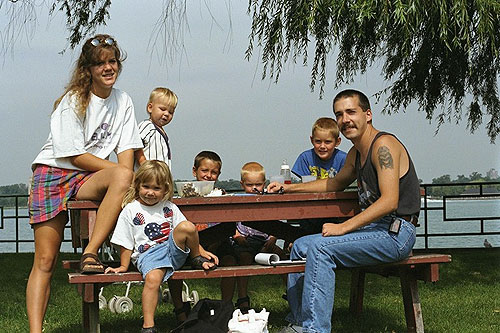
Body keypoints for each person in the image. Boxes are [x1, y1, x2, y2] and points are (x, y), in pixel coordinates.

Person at [269, 89, 420, 333]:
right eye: (339, 114)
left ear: (368, 114)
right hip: (375, 230)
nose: (345, 119)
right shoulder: (356, 152)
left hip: (396, 233)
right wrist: (288, 188)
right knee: (300, 246)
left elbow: (389, 201)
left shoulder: (384, 146)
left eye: (351, 112)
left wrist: (343, 227)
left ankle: (315, 330)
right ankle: (298, 322)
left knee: (320, 249)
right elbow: (334, 183)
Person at [26, 34, 143, 333]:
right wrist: (120, 172)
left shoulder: (124, 101)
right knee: (45, 260)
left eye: (112, 61)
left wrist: (126, 175)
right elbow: (75, 156)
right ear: (88, 69)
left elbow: (126, 158)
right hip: (54, 173)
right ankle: (35, 331)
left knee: (124, 175)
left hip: (89, 177)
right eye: (100, 63)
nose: (108, 68)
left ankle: (90, 252)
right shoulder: (73, 100)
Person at [105, 160, 218, 333]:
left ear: (165, 189)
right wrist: (123, 265)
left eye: (156, 188)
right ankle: (148, 326)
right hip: (149, 255)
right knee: (152, 280)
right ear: (137, 186)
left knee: (188, 226)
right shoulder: (131, 210)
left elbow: (188, 233)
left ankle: (196, 258)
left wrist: (201, 251)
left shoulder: (169, 207)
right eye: (146, 187)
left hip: (173, 249)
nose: (150, 193)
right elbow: (125, 241)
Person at [168, 150, 236, 323]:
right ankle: (180, 310)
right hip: (192, 244)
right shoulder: (184, 195)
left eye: (213, 172)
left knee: (231, 260)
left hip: (217, 242)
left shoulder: (222, 195)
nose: (208, 176)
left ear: (219, 175)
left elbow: (229, 224)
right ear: (194, 171)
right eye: (204, 171)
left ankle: (225, 308)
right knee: (173, 263)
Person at [228, 162, 287, 313]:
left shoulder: (268, 200)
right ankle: (242, 298)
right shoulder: (237, 200)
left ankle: (291, 292)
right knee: (243, 260)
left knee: (283, 258)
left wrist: (273, 237)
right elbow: (229, 222)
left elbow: (278, 222)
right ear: (242, 184)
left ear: (265, 184)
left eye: (259, 184)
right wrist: (236, 235)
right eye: (249, 185)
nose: (254, 188)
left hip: (264, 242)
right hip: (245, 242)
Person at [135, 87, 178, 169]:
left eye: (170, 112)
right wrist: (143, 162)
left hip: (161, 177)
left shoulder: (161, 132)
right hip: (147, 176)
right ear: (150, 108)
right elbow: (136, 143)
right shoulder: (147, 126)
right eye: (162, 109)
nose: (166, 114)